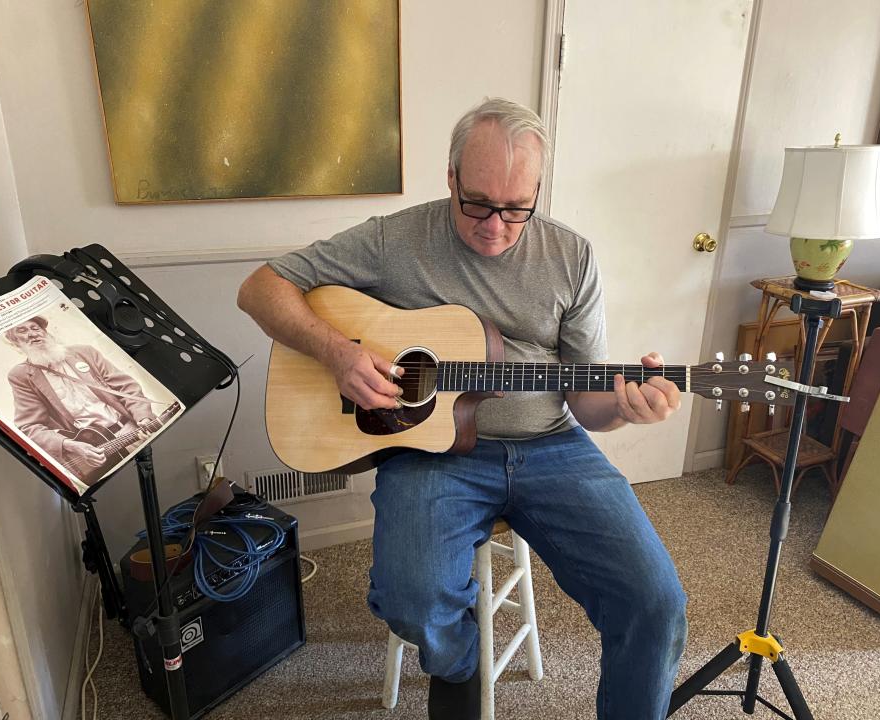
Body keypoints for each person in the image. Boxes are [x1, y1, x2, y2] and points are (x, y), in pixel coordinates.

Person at [238, 97, 687, 720]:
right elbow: (260, 288)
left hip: (551, 445)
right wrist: (337, 353)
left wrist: (624, 408)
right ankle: (458, 666)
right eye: (476, 202)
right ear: (449, 176)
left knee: (655, 600)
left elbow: (588, 405)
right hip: (434, 453)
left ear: (537, 190)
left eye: (516, 209)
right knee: (412, 599)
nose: (495, 226)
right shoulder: (394, 240)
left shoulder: (573, 258)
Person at [5, 315, 157, 489]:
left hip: (132, 431)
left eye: (35, 328)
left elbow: (126, 387)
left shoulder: (84, 352)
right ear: (15, 342)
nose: (32, 334)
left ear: (46, 332)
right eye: (22, 330)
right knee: (121, 491)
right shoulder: (21, 375)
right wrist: (69, 445)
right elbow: (30, 427)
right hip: (95, 452)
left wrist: (142, 419)